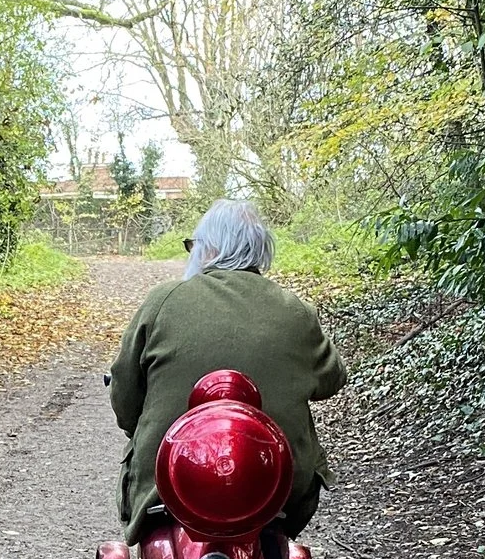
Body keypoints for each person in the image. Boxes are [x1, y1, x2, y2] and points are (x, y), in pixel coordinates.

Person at [109, 198, 347, 539]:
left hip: (168, 484)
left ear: (208, 251)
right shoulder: (296, 311)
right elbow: (330, 381)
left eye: (194, 246)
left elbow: (126, 394)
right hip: (276, 487)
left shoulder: (163, 301)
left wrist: (140, 428)